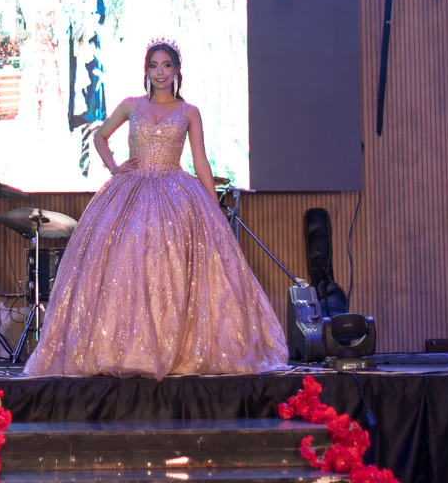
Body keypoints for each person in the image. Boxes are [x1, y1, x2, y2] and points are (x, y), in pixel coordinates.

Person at [22, 38, 289, 378]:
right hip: (130, 192)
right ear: (145, 70)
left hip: (176, 194)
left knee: (174, 267)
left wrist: (213, 207)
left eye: (166, 65)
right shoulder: (131, 105)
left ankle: (178, 348)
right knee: (125, 266)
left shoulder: (189, 111)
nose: (160, 72)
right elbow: (100, 137)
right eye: (153, 66)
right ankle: (122, 350)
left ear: (177, 70)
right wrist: (115, 168)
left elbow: (200, 161)